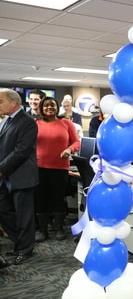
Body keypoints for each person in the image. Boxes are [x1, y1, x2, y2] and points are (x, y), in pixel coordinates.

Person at [0, 89, 39, 266]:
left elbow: (21, 152)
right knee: (4, 212)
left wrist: (1, 169)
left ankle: (25, 250)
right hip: (6, 175)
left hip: (21, 176)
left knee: (24, 216)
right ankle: (19, 243)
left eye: (1, 102)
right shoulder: (7, 120)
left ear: (14, 102)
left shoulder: (27, 122)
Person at [34, 97, 80, 242]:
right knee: (41, 198)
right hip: (39, 167)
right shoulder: (36, 124)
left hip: (59, 167)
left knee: (58, 197)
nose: (49, 107)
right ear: (41, 108)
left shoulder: (66, 123)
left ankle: (59, 228)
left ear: (57, 107)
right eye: (46, 105)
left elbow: (76, 142)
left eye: (52, 105)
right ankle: (42, 230)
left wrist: (69, 149)